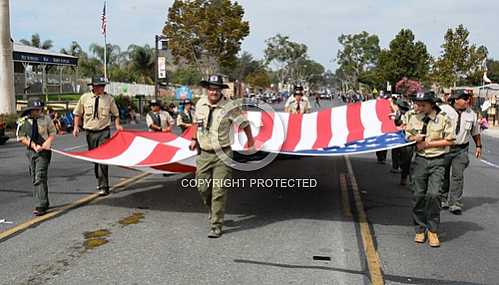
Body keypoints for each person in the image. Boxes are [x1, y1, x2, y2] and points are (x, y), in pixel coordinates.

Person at [189, 74, 254, 238]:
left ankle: (216, 225)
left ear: (221, 91)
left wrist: (250, 141)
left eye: (217, 89)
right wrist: (193, 140)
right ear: (207, 90)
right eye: (211, 88)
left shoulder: (229, 107)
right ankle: (212, 208)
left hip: (223, 154)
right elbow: (197, 125)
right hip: (204, 153)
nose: (214, 92)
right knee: (202, 187)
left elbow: (244, 124)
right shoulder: (200, 104)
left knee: (219, 191)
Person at [405, 91, 455, 247]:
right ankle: (420, 229)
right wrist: (415, 138)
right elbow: (407, 135)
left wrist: (428, 144)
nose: (418, 107)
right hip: (420, 161)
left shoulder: (443, 119)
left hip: (437, 160)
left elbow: (450, 140)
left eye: (422, 105)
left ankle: (433, 230)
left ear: (431, 104)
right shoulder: (413, 117)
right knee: (418, 195)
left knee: (434, 195)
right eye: (417, 104)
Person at [72, 76, 123, 196]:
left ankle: (104, 185)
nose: (102, 88)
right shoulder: (85, 98)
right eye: (100, 86)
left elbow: (116, 114)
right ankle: (99, 179)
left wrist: (117, 125)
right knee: (94, 158)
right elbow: (77, 113)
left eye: (103, 86)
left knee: (103, 158)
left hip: (104, 131)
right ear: (94, 86)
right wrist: (76, 127)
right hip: (90, 132)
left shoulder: (109, 99)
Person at [441, 90, 482, 215]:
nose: (467, 101)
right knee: (443, 174)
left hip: (461, 149)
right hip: (444, 148)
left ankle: (455, 203)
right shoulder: (443, 110)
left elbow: (475, 132)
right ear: (455, 99)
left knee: (458, 176)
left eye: (468, 98)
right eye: (464, 98)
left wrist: (479, 146)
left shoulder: (472, 114)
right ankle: (443, 199)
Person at [16, 98, 56, 216]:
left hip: (44, 152)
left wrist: (48, 141)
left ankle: (40, 205)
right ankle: (45, 201)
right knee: (35, 177)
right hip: (31, 151)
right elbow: (21, 137)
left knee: (40, 175)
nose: (39, 111)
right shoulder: (23, 121)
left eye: (40, 109)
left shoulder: (46, 119)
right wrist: (33, 146)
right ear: (30, 110)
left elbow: (53, 132)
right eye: (36, 110)